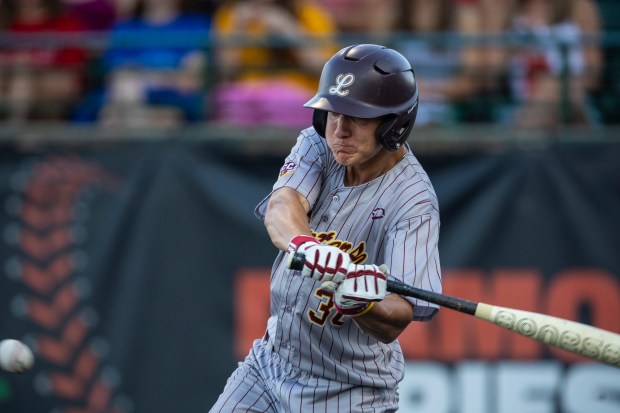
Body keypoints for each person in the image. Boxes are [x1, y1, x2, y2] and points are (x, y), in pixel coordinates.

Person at [210, 44, 442, 412]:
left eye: (358, 117)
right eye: (333, 113)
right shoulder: (317, 143)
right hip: (270, 365)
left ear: (394, 124)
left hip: (345, 391)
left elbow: (398, 316)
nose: (340, 129)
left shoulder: (414, 201)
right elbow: (281, 207)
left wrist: (365, 304)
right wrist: (307, 245)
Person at [209, 0, 337, 128]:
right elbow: (225, 70)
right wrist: (238, 29)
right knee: (228, 99)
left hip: (295, 92)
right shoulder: (230, 14)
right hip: (245, 93)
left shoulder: (308, 12)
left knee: (280, 101)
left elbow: (324, 69)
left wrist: (288, 29)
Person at [481, 0, 603, 127]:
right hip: (519, 106)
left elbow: (593, 77)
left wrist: (559, 86)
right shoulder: (503, 9)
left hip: (576, 99)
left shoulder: (581, 7)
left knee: (556, 88)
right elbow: (491, 77)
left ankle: (521, 141)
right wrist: (512, 50)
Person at [95, 0, 211, 127]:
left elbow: (191, 79)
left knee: (165, 116)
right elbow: (117, 74)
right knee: (120, 98)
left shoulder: (197, 25)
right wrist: (166, 76)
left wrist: (150, 78)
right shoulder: (124, 28)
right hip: (129, 97)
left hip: (175, 99)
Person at [0, 0, 88, 122]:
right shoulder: (3, 23)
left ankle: (16, 128)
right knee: (21, 75)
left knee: (23, 76)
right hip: (9, 86)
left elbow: (72, 73)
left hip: (54, 90)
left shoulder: (66, 22)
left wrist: (31, 65)